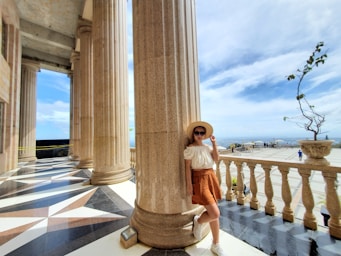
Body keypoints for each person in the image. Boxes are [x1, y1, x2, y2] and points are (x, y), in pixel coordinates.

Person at [184, 121, 226, 256]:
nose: (199, 135)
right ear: (193, 134)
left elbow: (217, 159)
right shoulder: (190, 149)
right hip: (199, 178)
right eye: (197, 133)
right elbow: (187, 168)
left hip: (211, 177)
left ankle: (216, 243)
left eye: (202, 133)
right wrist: (189, 184)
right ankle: (199, 220)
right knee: (215, 213)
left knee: (215, 213)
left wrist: (214, 143)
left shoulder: (208, 147)